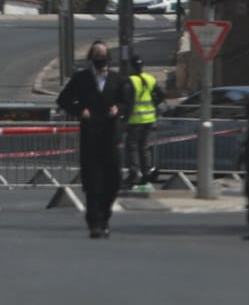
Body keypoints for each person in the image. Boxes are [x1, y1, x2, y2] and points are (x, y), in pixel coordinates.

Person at [56, 41, 134, 239]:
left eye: (103, 54)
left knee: (113, 181)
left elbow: (128, 102)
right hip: (90, 136)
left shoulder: (118, 80)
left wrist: (119, 109)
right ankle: (95, 223)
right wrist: (79, 110)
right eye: (97, 54)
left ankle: (105, 216)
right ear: (91, 57)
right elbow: (63, 99)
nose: (100, 58)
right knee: (92, 182)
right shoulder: (81, 78)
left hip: (110, 135)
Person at [124, 55, 166, 189]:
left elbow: (127, 100)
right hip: (149, 119)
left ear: (131, 67)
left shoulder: (130, 81)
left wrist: (124, 117)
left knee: (132, 147)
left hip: (135, 120)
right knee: (144, 147)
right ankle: (146, 173)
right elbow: (162, 94)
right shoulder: (150, 78)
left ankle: (134, 174)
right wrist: (154, 104)